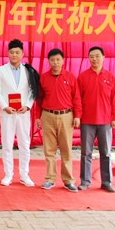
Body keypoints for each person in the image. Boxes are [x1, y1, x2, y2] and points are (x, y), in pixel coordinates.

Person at [0, 39, 40, 187]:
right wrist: (5, 106)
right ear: (8, 53)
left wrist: (27, 106)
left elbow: (33, 91)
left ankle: (24, 174)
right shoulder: (0, 71)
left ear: (22, 54)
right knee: (7, 144)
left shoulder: (28, 70)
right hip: (7, 113)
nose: (14, 55)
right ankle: (8, 174)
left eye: (17, 52)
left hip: (23, 113)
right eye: (12, 52)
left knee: (24, 144)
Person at [36, 48, 82, 192]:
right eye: (52, 60)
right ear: (49, 61)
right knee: (49, 149)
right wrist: (38, 116)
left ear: (63, 61)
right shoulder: (43, 78)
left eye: (58, 60)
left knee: (66, 149)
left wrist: (77, 116)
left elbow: (76, 98)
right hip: (47, 115)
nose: (55, 62)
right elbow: (39, 99)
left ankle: (68, 180)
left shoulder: (70, 77)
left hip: (66, 116)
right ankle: (50, 179)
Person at [78, 46, 115, 193]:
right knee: (86, 153)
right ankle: (85, 181)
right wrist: (78, 116)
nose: (94, 59)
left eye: (97, 56)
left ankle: (106, 182)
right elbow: (78, 99)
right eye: (91, 56)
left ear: (103, 57)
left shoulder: (110, 77)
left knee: (106, 153)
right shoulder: (83, 77)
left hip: (106, 121)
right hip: (87, 121)